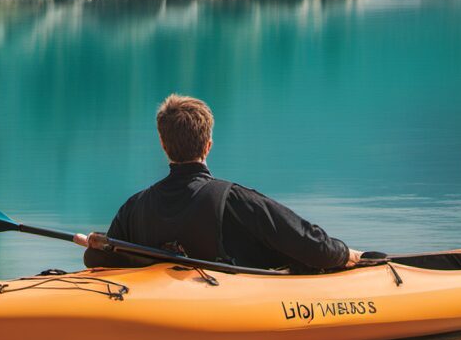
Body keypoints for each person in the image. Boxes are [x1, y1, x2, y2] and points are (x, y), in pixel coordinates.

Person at [78, 94, 362, 272]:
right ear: (209, 145)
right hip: (221, 307)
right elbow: (313, 247)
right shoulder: (234, 200)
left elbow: (98, 261)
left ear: (164, 146)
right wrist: (344, 253)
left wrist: (96, 245)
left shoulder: (134, 207)